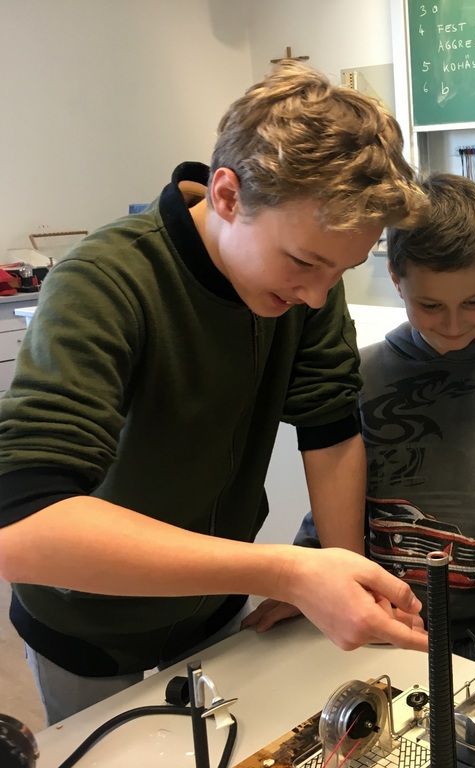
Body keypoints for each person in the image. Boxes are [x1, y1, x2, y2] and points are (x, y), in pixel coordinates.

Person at [0, 63, 430, 725]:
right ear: (228, 195)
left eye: (339, 270)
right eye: (304, 263)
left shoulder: (306, 279)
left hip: (216, 612)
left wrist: (340, 574)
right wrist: (285, 571)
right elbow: (22, 523)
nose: (317, 296)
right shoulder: (104, 282)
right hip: (86, 624)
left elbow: (330, 429)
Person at [243, 173, 475, 673]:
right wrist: (310, 573)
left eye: (474, 302)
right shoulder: (362, 371)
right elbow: (340, 492)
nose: (454, 325)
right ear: (396, 278)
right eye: (430, 305)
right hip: (381, 626)